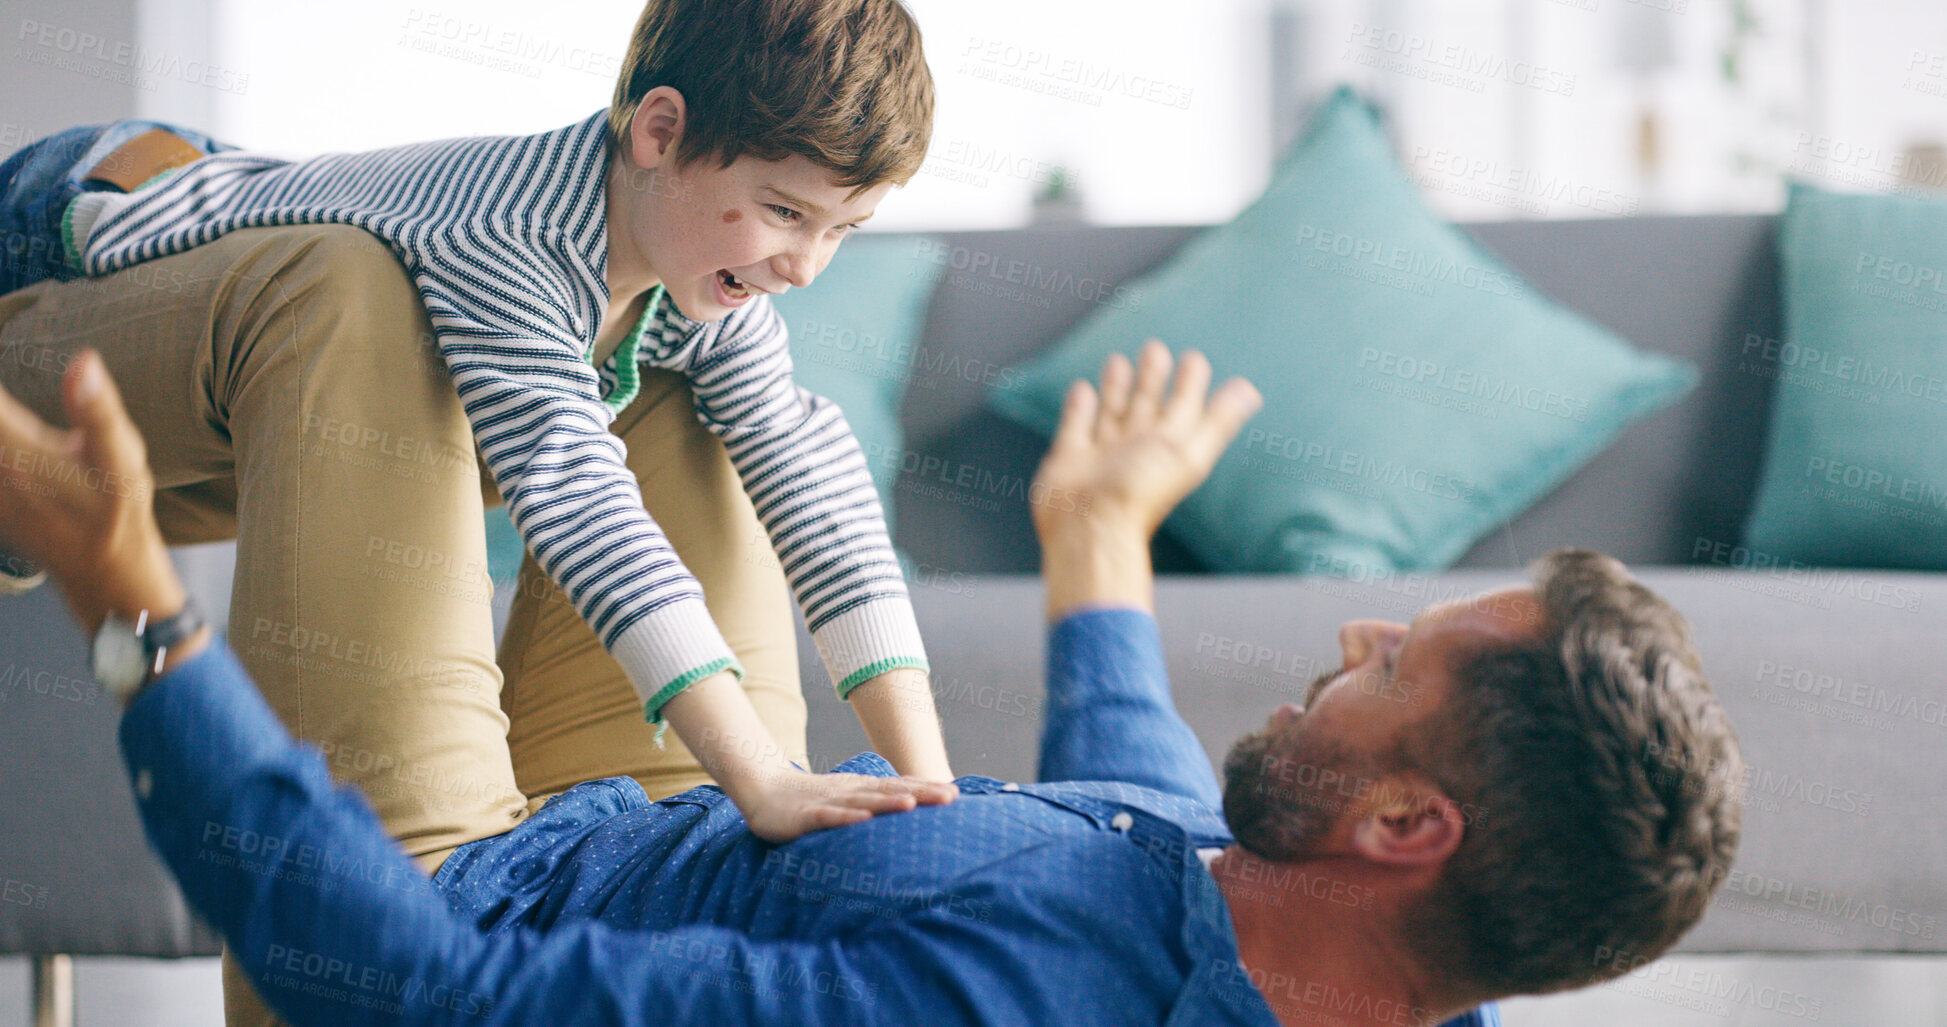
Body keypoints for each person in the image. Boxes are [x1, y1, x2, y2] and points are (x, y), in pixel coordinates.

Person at [0, 338, 1744, 1026]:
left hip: (448, 880)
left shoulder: (997, 1003)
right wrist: (1096, 532)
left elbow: (431, 998)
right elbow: (1133, 783)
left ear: (1400, 818)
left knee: (358, 315)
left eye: (1404, 666)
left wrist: (138, 611)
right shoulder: (1408, 957)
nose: (1365, 632)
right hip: (685, 805)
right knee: (685, 353)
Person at [0, 2, 951, 1020]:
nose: (804, 265)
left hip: (268, 411)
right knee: (349, 281)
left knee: (721, 416)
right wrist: (757, 774)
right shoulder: (510, 236)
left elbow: (811, 476)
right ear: (659, 131)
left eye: (841, 230)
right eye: (782, 212)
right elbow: (578, 499)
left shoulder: (698, 276)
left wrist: (930, 787)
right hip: (87, 216)